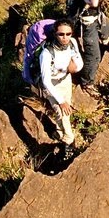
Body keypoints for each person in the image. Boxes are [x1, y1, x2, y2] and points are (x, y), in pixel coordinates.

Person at [39, 18, 83, 158]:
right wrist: (60, 100)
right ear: (55, 33)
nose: (65, 37)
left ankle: (59, 131)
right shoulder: (46, 53)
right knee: (63, 111)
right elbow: (46, 80)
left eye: (68, 34)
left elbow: (79, 61)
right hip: (51, 85)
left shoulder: (73, 43)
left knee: (64, 112)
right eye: (61, 34)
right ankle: (69, 140)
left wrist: (74, 67)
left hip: (65, 80)